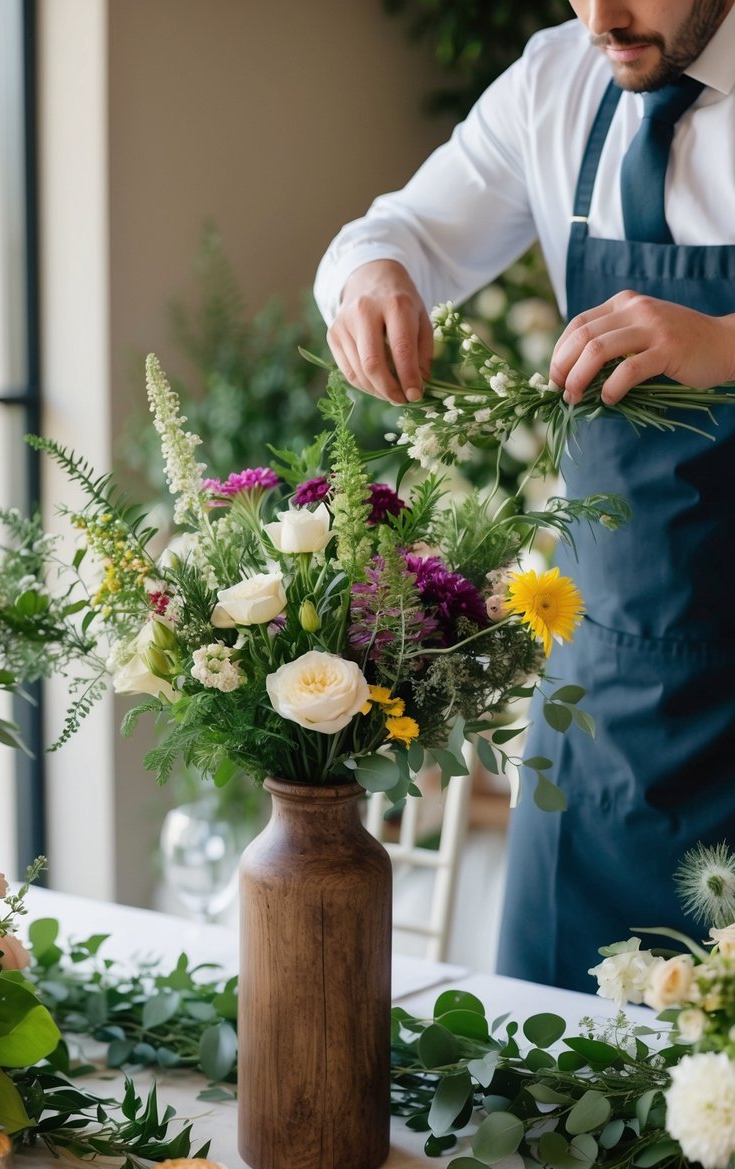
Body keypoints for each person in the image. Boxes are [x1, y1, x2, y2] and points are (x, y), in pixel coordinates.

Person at [314, 0, 735, 993]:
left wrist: (723, 343)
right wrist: (376, 272)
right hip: (607, 704)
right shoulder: (557, 80)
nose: (602, 15)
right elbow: (404, 226)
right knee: (555, 1090)